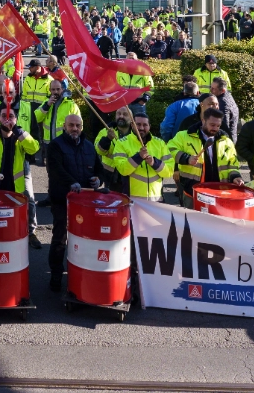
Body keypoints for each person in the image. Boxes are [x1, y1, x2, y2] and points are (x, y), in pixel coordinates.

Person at [45, 114, 102, 292]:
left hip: (85, 203)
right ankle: (56, 273)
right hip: (62, 199)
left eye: (78, 125)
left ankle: (83, 272)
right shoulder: (56, 145)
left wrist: (97, 179)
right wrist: (71, 182)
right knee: (60, 238)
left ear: (82, 127)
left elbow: (99, 168)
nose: (74, 128)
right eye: (71, 125)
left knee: (86, 239)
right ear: (64, 126)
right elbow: (55, 170)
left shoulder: (89, 146)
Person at [167, 108, 243, 207]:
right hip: (192, 190)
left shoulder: (226, 141)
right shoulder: (184, 136)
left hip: (219, 192)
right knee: (192, 220)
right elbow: (169, 150)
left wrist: (235, 177)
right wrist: (186, 158)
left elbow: (232, 164)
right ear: (203, 120)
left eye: (218, 126)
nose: (215, 128)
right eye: (212, 125)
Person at [99, 112, 171, 201]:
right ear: (132, 125)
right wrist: (139, 157)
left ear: (149, 126)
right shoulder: (122, 143)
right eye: (138, 124)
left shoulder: (160, 143)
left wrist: (154, 163)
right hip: (132, 201)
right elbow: (123, 170)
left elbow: (169, 172)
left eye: (145, 125)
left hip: (156, 201)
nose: (141, 128)